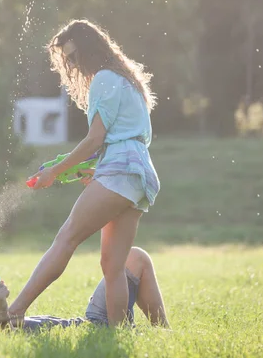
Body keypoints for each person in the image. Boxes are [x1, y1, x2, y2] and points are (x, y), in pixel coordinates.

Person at [13, 19, 160, 327]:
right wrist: (94, 169)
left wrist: (54, 171)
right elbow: (122, 138)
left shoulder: (104, 79)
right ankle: (117, 333)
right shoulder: (125, 78)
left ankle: (13, 312)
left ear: (87, 50)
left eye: (73, 56)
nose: (71, 64)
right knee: (112, 265)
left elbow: (96, 138)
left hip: (121, 170)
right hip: (136, 174)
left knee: (66, 237)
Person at [0, 247, 169, 331]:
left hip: (89, 322)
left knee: (135, 258)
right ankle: (161, 335)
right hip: (97, 326)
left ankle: (160, 335)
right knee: (135, 258)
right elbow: (8, 331)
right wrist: (1, 307)